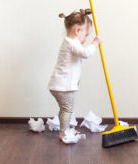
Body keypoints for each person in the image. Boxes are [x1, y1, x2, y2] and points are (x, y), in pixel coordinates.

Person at [47, 9, 102, 140]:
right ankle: (64, 133)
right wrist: (95, 43)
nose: (86, 39)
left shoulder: (69, 42)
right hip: (63, 86)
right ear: (77, 31)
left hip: (60, 84)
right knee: (67, 110)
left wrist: (76, 80)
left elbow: (73, 65)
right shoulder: (72, 43)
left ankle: (65, 130)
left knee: (64, 109)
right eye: (86, 35)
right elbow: (85, 54)